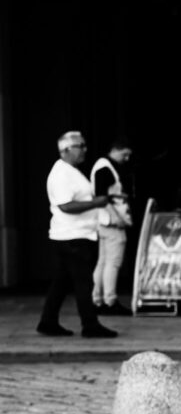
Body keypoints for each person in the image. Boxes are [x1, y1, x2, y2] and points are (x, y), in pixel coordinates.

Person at [38, 131, 116, 338]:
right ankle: (90, 324)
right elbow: (65, 205)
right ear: (66, 150)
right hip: (71, 236)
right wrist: (96, 203)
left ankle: (48, 321)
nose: (84, 150)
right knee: (83, 282)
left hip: (74, 234)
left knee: (62, 282)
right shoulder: (62, 173)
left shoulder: (71, 171)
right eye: (80, 146)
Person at [90, 136, 133, 316]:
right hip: (111, 221)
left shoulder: (103, 167)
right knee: (112, 262)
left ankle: (98, 299)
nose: (126, 159)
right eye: (125, 154)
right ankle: (109, 299)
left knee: (103, 261)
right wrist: (118, 218)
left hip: (104, 220)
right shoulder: (105, 168)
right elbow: (102, 198)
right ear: (116, 149)